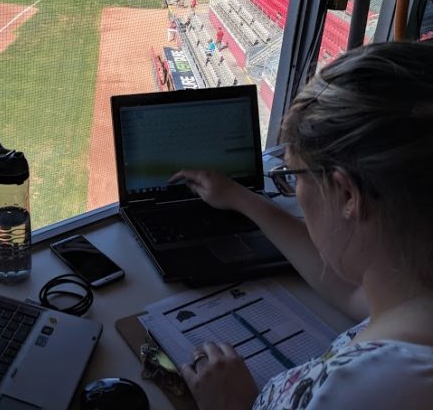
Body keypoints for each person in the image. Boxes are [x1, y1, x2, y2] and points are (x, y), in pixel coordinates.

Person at [169, 41, 433, 410]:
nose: (295, 195)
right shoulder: (408, 296)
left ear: (347, 195)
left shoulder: (352, 393)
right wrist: (241, 199)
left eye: (293, 177)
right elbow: (348, 289)